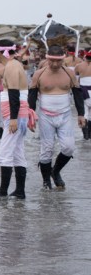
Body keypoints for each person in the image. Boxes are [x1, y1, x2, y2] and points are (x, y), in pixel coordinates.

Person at [28, 45, 86, 190]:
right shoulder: (39, 74)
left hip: (65, 115)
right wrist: (30, 115)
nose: (54, 64)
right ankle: (46, 181)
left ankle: (56, 171)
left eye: (58, 61)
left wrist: (81, 114)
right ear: (47, 58)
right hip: (46, 115)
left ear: (63, 58)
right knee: (47, 149)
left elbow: (78, 93)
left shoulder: (69, 73)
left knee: (69, 147)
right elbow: (32, 96)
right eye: (52, 60)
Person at [0, 39, 32, 200]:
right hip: (17, 115)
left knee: (3, 154)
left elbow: (14, 94)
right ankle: (20, 192)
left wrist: (13, 119)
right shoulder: (15, 64)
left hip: (15, 115)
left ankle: (3, 192)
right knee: (18, 154)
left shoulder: (12, 66)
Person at [76, 48, 91, 140]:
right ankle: (89, 135)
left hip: (83, 90)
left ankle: (85, 136)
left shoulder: (78, 66)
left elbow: (76, 80)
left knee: (84, 113)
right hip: (87, 89)